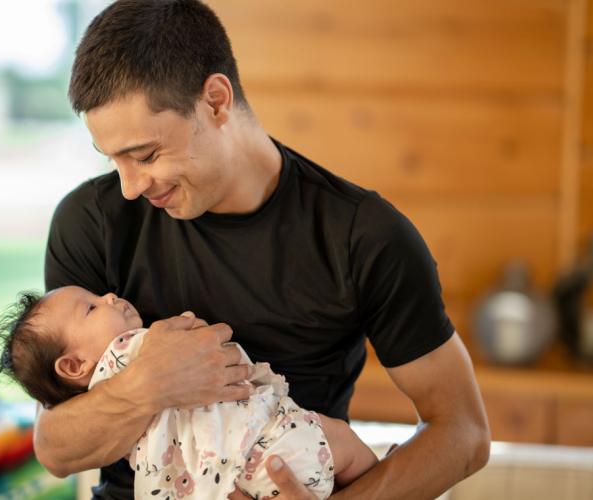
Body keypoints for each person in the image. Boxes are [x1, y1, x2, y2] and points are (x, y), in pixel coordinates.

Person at [35, 1, 491, 498]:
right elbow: (56, 449)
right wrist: (149, 383)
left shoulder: (363, 236)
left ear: (215, 101)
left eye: (144, 155)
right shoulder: (92, 222)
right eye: (113, 159)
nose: (127, 187)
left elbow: (463, 432)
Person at [0, 286, 378, 499]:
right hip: (269, 449)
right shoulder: (129, 350)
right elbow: (194, 336)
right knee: (342, 439)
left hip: (222, 482)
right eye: (91, 308)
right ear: (74, 366)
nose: (109, 295)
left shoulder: (97, 402)